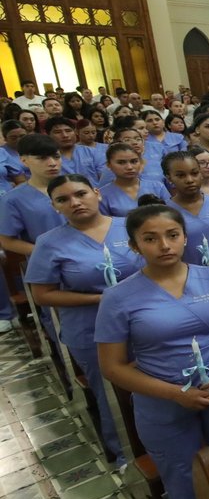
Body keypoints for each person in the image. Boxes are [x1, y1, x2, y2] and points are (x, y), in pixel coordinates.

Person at [96, 200, 209, 499]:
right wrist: (176, 394)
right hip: (164, 400)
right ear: (135, 246)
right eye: (150, 238)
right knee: (184, 475)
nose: (163, 245)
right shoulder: (119, 298)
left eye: (172, 235)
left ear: (184, 238)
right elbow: (114, 367)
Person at [27, 174, 141, 464]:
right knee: (110, 393)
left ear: (97, 194)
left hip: (142, 322)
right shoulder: (49, 243)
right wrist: (99, 299)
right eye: (63, 200)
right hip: (91, 329)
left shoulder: (129, 226)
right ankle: (125, 452)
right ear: (55, 207)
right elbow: (43, 294)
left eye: (81, 194)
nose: (74, 202)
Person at [163, 151, 209, 273]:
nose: (190, 180)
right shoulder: (164, 212)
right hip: (186, 281)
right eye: (181, 175)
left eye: (194, 173)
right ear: (169, 179)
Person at [98, 143, 169, 217]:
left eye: (134, 161)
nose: (129, 167)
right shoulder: (102, 194)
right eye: (121, 162)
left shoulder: (157, 187)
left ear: (141, 162)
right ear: (109, 165)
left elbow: (171, 216)